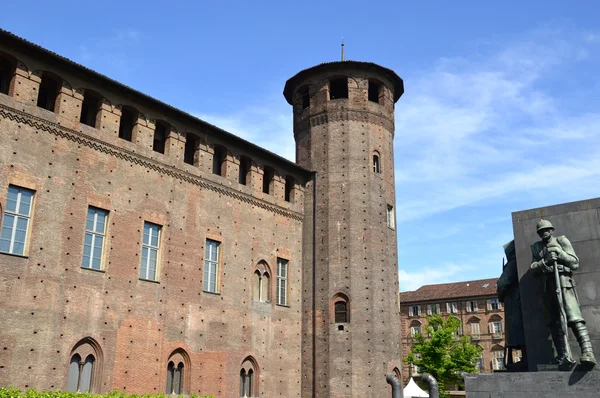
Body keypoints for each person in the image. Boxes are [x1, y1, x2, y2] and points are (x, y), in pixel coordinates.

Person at [530, 219, 596, 369]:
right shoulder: (536, 247)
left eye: (546, 230)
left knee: (574, 318)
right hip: (548, 288)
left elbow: (574, 263)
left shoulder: (562, 241)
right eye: (541, 231)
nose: (544, 233)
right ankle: (562, 355)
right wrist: (544, 262)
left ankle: (588, 352)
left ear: (551, 230)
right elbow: (533, 268)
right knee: (554, 322)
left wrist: (560, 254)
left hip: (564, 284)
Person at [497, 240, 527, 370]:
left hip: (514, 302)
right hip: (520, 301)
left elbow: (502, 283)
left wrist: (500, 296)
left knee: (516, 331)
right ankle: (525, 357)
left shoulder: (513, 263)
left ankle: (525, 358)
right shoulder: (520, 263)